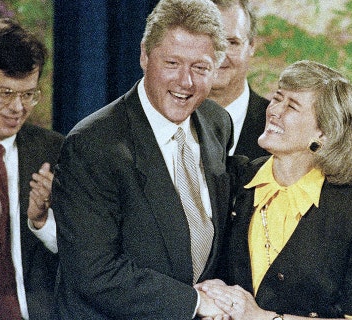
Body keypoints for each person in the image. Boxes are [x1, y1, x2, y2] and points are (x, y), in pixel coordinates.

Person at [52, 0, 233, 318]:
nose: (185, 81)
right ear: (144, 55)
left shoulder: (217, 123)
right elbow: (95, 272)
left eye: (200, 68)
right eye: (172, 63)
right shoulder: (92, 145)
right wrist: (193, 303)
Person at [199, 60, 352, 320]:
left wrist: (264, 318)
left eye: (291, 106)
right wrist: (215, 291)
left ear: (323, 133)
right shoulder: (235, 179)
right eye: (277, 98)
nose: (274, 110)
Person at [0, 18, 64, 319]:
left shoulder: (55, 151)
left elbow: (87, 256)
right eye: (5, 93)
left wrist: (43, 222)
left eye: (28, 94)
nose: (18, 108)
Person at [209, 0, 270, 160]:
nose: (219, 54)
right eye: (209, 40)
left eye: (232, 42)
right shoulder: (162, 119)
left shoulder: (280, 128)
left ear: (251, 45)